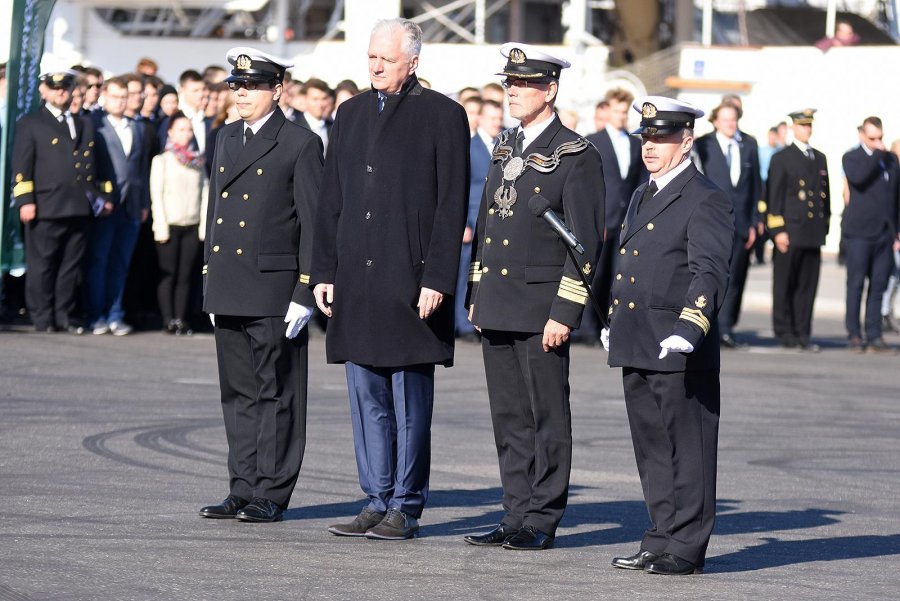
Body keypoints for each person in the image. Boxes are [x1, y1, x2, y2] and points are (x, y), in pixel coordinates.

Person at [311, 18, 469, 541]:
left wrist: (438, 278)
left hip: (412, 281)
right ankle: (375, 498)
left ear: (413, 61)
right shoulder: (350, 113)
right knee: (366, 399)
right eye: (372, 57)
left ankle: (406, 503)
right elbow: (330, 199)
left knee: (408, 403)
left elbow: (451, 206)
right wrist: (324, 272)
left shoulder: (443, 115)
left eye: (387, 59)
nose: (376, 66)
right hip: (356, 281)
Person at [463, 44, 605, 551]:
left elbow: (585, 242)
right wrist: (476, 293)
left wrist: (565, 312)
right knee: (509, 418)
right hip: (499, 302)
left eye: (523, 84)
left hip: (542, 307)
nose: (513, 91)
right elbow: (485, 228)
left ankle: (542, 518)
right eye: (509, 83)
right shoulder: (505, 148)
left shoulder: (575, 154)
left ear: (550, 90)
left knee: (546, 416)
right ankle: (514, 511)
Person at [604, 96, 733, 575]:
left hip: (679, 345)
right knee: (652, 448)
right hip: (638, 338)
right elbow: (632, 264)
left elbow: (708, 271)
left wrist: (689, 328)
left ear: (687, 140)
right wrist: (613, 322)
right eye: (645, 137)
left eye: (661, 137)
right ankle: (659, 536)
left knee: (690, 449)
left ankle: (686, 547)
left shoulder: (706, 197)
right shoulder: (644, 193)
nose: (650, 146)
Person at [198, 47, 323, 523]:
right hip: (230, 282)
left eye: (251, 87)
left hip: (274, 287)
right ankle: (242, 485)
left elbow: (313, 224)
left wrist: (305, 290)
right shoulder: (226, 137)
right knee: (238, 393)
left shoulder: (298, 143)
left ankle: (272, 490)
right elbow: (216, 214)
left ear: (277, 90)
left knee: (278, 393)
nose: (241, 94)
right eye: (236, 86)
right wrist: (210, 278)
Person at [12, 70, 98, 334]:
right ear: (44, 91)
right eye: (55, 88)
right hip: (46, 204)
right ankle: (42, 315)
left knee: (70, 265)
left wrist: (100, 195)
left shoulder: (83, 122)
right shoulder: (31, 123)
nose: (61, 92)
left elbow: (93, 164)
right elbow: (22, 165)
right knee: (43, 265)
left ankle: (64, 314)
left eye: (66, 87)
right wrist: (25, 199)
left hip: (78, 204)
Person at [84, 76, 155, 336]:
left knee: (121, 263)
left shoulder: (135, 127)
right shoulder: (96, 124)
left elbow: (142, 169)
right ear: (104, 96)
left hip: (132, 206)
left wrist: (145, 202)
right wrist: (99, 199)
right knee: (98, 261)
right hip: (105, 206)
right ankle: (96, 314)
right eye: (115, 96)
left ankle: (115, 313)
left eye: (124, 97)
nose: (120, 101)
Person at [693, 102, 762, 348]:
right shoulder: (703, 145)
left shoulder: (749, 145)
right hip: (713, 222)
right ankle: (707, 326)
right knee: (711, 275)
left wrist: (755, 221)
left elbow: (755, 187)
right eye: (725, 120)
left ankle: (727, 328)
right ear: (715, 121)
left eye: (733, 120)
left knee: (736, 278)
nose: (730, 125)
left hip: (742, 224)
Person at [583, 88, 646, 345]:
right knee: (594, 276)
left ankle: (610, 326)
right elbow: (588, 185)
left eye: (625, 112)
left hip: (625, 221)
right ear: (607, 111)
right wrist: (595, 219)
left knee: (617, 279)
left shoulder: (634, 142)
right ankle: (587, 328)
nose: (622, 117)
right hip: (602, 221)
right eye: (617, 111)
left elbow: (638, 183)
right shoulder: (593, 140)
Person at [766, 109, 830, 351]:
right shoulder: (782, 158)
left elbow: (825, 197)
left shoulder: (820, 158)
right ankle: (784, 331)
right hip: (790, 231)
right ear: (793, 127)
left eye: (809, 125)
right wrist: (778, 230)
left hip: (812, 233)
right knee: (785, 284)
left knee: (807, 286)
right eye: (803, 125)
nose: (807, 129)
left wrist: (824, 228)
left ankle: (803, 331)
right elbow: (774, 196)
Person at [841, 117, 900, 352]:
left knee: (879, 285)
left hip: (884, 234)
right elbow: (859, 179)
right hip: (859, 233)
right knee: (856, 284)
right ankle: (854, 333)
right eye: (873, 138)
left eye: (881, 138)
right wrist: (876, 154)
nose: (878, 142)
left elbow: (896, 197)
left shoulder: (891, 161)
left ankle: (874, 334)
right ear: (862, 136)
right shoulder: (852, 157)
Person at [150, 112, 208, 335]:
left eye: (189, 130)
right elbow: (157, 195)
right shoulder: (162, 160)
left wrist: (203, 225)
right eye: (181, 129)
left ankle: (181, 318)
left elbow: (205, 194)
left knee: (186, 275)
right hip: (170, 225)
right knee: (168, 274)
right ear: (171, 132)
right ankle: (167, 318)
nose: (186, 134)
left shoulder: (197, 162)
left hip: (192, 225)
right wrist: (160, 226)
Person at [456, 99, 503, 341]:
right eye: (492, 118)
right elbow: (460, 187)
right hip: (472, 220)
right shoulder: (470, 146)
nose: (497, 123)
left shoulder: (505, 145)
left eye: (499, 117)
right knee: (466, 274)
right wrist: (463, 222)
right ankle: (462, 325)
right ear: (481, 119)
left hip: (496, 221)